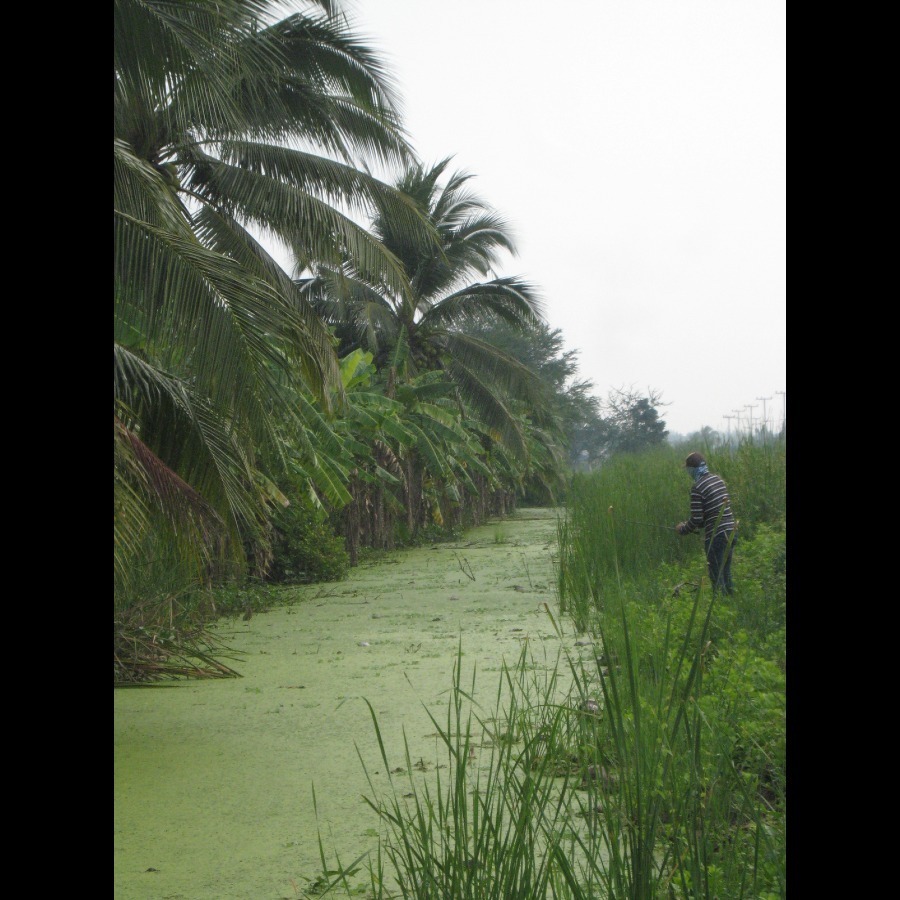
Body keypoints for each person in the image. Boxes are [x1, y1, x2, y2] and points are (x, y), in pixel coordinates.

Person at [675, 451, 737, 595]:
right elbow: (712, 512)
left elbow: (696, 519)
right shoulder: (718, 480)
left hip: (717, 536)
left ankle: (719, 606)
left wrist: (682, 529)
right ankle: (731, 600)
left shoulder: (697, 488)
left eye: (687, 469)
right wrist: (701, 525)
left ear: (692, 469)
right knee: (726, 572)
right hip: (731, 530)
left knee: (716, 575)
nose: (687, 472)